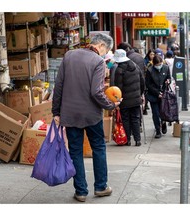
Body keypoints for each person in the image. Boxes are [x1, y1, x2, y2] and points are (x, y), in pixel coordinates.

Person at [52, 33, 121, 202]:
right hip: (91, 115)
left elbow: (58, 85)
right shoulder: (97, 61)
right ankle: (101, 187)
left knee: (75, 151)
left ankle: (81, 191)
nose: (106, 54)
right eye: (107, 51)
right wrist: (111, 105)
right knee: (98, 148)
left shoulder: (69, 55)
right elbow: (96, 91)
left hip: (70, 113)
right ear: (102, 46)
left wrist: (56, 112)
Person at [113, 49, 145, 146]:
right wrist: (140, 94)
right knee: (135, 118)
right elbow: (142, 81)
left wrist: (117, 100)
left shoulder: (119, 70)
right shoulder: (135, 66)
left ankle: (128, 140)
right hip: (136, 99)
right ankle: (138, 140)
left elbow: (118, 88)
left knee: (126, 119)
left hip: (125, 100)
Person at [145, 55, 171, 138]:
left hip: (164, 94)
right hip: (153, 95)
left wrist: (168, 81)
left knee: (163, 111)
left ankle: (163, 123)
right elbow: (148, 84)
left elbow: (169, 78)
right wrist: (157, 93)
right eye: (157, 65)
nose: (159, 66)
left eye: (160, 64)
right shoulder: (150, 71)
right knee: (155, 113)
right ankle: (157, 130)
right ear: (154, 64)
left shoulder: (166, 68)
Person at [142, 49, 155, 115]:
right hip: (146, 79)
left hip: (153, 80)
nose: (152, 56)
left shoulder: (155, 61)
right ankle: (145, 107)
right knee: (146, 94)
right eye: (151, 54)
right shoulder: (145, 61)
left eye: (153, 54)